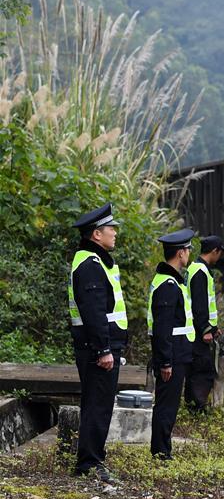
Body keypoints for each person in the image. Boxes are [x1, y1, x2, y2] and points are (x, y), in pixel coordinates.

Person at [68, 202, 129, 483]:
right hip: (97, 350)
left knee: (98, 403)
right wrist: (103, 349)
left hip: (99, 347)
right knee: (97, 405)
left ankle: (92, 460)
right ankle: (90, 464)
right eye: (110, 228)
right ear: (96, 234)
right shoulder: (90, 265)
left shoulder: (95, 261)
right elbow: (94, 312)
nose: (115, 232)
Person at [148, 228, 196, 460]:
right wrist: (165, 361)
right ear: (180, 253)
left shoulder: (172, 281)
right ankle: (161, 453)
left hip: (177, 353)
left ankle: (163, 449)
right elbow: (162, 327)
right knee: (166, 405)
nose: (189, 254)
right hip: (173, 355)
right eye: (188, 250)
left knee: (169, 404)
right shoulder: (168, 285)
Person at [184, 235, 224, 412]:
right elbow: (200, 304)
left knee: (196, 367)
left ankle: (193, 403)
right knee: (202, 369)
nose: (220, 256)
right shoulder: (200, 272)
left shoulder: (195, 268)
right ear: (214, 251)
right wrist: (205, 329)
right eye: (220, 252)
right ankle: (197, 407)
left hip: (196, 327)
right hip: (198, 330)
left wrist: (213, 328)